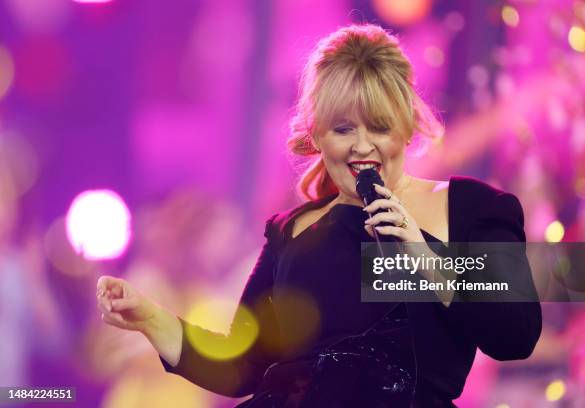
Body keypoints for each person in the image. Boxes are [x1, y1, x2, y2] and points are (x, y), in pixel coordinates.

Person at [97, 24, 542, 407]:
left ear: (407, 126)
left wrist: (421, 254)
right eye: (344, 128)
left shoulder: (469, 209)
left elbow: (513, 336)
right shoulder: (294, 229)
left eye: (379, 126)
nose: (362, 146)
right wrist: (149, 318)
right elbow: (238, 367)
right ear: (317, 135)